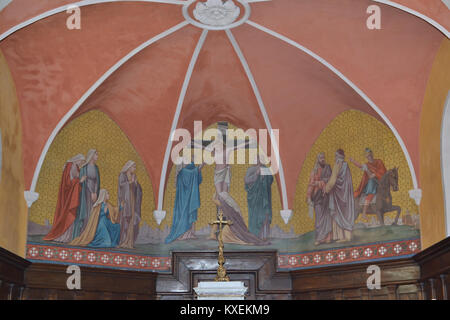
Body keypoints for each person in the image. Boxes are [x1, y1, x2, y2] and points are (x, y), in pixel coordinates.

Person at [44, 154, 86, 242]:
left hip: (71, 195)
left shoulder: (75, 167)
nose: (82, 163)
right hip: (68, 196)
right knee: (66, 214)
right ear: (77, 159)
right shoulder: (70, 166)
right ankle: (62, 236)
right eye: (81, 161)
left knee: (69, 215)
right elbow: (68, 183)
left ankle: (68, 236)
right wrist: (80, 181)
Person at [165, 153, 204, 244]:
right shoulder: (184, 172)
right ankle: (183, 234)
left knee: (191, 213)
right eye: (190, 159)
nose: (191, 161)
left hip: (189, 197)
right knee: (186, 213)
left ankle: (190, 233)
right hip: (185, 199)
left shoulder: (186, 171)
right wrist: (203, 163)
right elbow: (195, 171)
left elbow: (196, 176)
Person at [325, 149, 355, 242]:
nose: (334, 158)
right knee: (346, 213)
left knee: (338, 213)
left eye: (335, 156)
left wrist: (326, 189)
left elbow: (333, 181)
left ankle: (343, 237)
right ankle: (345, 236)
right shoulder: (346, 165)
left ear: (338, 157)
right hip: (346, 194)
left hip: (339, 195)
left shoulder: (337, 165)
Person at [350, 148, 387, 220]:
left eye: (370, 154)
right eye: (367, 156)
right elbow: (360, 166)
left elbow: (383, 171)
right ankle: (364, 213)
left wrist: (375, 174)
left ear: (372, 154)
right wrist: (353, 161)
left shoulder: (379, 161)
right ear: (366, 157)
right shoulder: (366, 165)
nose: (369, 156)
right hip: (371, 183)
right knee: (371, 189)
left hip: (379, 181)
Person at [72, 149, 100, 239]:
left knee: (92, 212)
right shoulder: (84, 167)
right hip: (86, 193)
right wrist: (92, 192)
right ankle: (83, 233)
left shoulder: (96, 168)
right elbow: (85, 181)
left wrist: (95, 192)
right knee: (85, 212)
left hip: (94, 193)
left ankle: (89, 234)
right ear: (91, 155)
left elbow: (97, 182)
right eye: (96, 154)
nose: (97, 156)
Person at [245, 155, 273, 241]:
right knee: (255, 216)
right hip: (254, 199)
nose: (257, 161)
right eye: (256, 159)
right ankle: (255, 236)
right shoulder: (251, 169)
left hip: (264, 197)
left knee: (265, 215)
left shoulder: (266, 169)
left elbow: (270, 180)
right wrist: (256, 175)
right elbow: (247, 181)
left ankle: (264, 236)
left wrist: (265, 176)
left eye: (259, 159)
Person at [306, 152, 332, 245]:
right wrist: (309, 197)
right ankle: (319, 238)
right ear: (318, 159)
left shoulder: (328, 168)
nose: (322, 159)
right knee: (319, 218)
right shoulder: (314, 171)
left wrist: (320, 183)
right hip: (317, 196)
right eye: (321, 157)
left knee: (327, 216)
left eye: (323, 157)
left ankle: (328, 237)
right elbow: (311, 184)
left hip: (326, 195)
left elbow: (330, 180)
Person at [118, 160, 142, 249]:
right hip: (126, 201)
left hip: (132, 201)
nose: (135, 169)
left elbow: (138, 189)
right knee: (125, 220)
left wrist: (136, 184)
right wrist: (130, 183)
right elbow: (121, 186)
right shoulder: (122, 175)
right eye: (133, 167)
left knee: (132, 220)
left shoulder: (133, 176)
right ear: (129, 167)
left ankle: (130, 242)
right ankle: (123, 241)